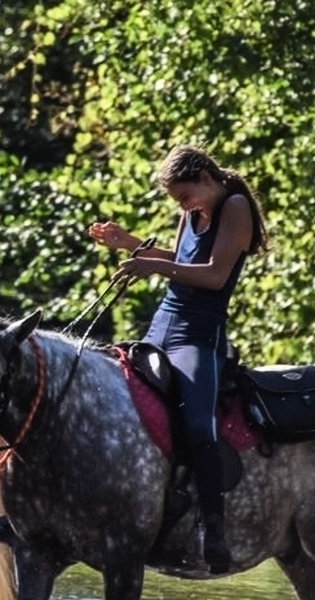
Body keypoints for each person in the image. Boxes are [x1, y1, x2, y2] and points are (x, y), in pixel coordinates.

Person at [88, 146, 268, 574]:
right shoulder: (192, 211)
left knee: (196, 423)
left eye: (185, 196)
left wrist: (150, 268)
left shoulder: (236, 206)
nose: (182, 206)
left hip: (198, 332)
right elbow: (182, 260)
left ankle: (213, 528)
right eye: (177, 201)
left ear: (206, 177)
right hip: (163, 322)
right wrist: (131, 244)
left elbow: (213, 275)